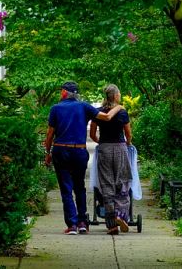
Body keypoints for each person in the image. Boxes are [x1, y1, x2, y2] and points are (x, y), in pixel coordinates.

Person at [44, 81, 124, 235]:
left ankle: (72, 225)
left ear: (64, 93)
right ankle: (82, 223)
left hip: (61, 150)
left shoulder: (55, 109)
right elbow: (106, 117)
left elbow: (49, 135)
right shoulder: (84, 106)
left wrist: (47, 153)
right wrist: (119, 107)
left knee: (66, 189)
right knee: (79, 187)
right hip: (79, 152)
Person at [89, 84, 132, 235]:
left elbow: (93, 133)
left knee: (107, 185)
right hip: (120, 147)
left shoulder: (99, 113)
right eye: (119, 94)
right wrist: (127, 144)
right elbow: (128, 134)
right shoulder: (122, 112)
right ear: (115, 96)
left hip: (105, 148)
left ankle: (112, 225)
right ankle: (121, 215)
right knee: (123, 181)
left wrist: (100, 142)